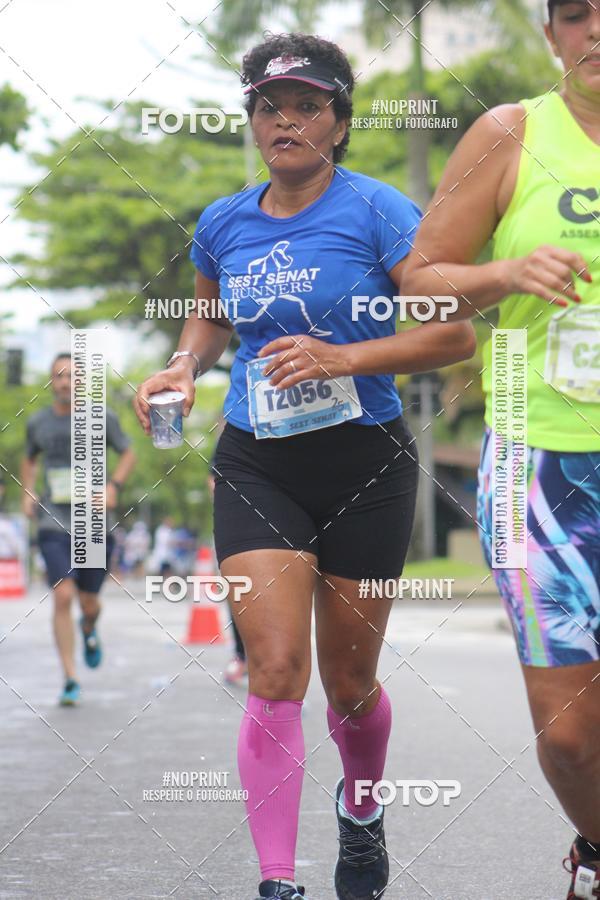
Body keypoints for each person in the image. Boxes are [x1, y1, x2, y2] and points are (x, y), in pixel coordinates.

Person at [134, 33, 476, 900]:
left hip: (366, 460)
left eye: (307, 105)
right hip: (258, 461)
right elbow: (209, 325)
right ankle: (277, 883)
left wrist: (343, 359)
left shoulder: (380, 212)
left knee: (350, 683)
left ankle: (362, 811)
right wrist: (183, 367)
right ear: (251, 121)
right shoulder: (223, 221)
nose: (285, 121)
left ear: (340, 121)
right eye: (268, 107)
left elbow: (451, 332)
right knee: (276, 666)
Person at [402, 3, 600, 896]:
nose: (596, 30)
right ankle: (596, 843)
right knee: (568, 735)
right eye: (577, 14)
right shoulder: (511, 133)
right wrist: (505, 273)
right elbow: (420, 285)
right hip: (536, 460)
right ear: (550, 35)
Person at [22, 353, 135, 706]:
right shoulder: (38, 422)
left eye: (72, 376)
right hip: (52, 518)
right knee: (63, 595)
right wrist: (27, 489)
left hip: (94, 522)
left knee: (88, 602)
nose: (65, 382)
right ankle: (70, 677)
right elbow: (29, 457)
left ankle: (89, 626)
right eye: (59, 376)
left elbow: (128, 451)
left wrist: (113, 486)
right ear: (51, 381)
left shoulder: (103, 418)